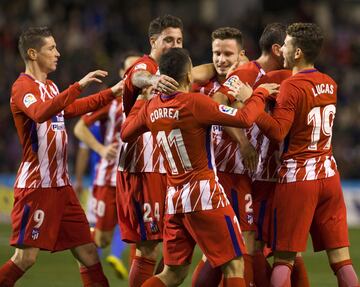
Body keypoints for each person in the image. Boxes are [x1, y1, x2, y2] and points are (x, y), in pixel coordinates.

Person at [121, 47, 279, 287]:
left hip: (174, 200)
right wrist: (259, 94)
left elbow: (125, 133)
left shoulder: (150, 108)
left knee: (172, 274)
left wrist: (142, 100)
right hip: (204, 194)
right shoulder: (196, 103)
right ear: (188, 77)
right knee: (234, 263)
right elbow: (244, 119)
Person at [0, 26, 123, 287]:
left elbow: (72, 108)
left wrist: (111, 93)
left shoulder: (51, 86)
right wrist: (77, 85)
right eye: (51, 48)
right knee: (25, 258)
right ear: (33, 54)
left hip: (62, 187)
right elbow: (40, 112)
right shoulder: (22, 87)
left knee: (89, 253)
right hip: (37, 187)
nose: (58, 53)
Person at [255, 22, 359, 287]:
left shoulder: (292, 86)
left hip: (299, 178)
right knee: (342, 261)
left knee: (284, 259)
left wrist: (254, 102)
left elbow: (278, 132)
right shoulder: (330, 83)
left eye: (287, 44)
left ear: (298, 52)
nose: (283, 49)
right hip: (329, 175)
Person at [116, 14, 183, 287]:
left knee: (163, 248)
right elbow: (138, 75)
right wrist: (152, 81)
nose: (175, 45)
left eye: (179, 40)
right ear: (153, 41)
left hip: (161, 168)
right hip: (142, 168)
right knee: (149, 248)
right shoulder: (147, 66)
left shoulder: (173, 71)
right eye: (168, 40)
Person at [191, 27, 259, 287]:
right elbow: (225, 111)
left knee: (238, 245)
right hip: (219, 175)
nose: (221, 59)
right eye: (216, 53)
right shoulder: (205, 84)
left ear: (241, 55)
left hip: (243, 174)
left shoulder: (248, 80)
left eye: (227, 54)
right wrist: (243, 142)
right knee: (233, 246)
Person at [73, 52, 140, 279]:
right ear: (123, 74)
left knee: (142, 235)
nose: (136, 75)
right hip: (110, 178)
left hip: (138, 178)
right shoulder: (111, 101)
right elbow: (79, 128)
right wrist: (101, 150)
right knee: (101, 239)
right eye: (131, 70)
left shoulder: (152, 99)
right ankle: (87, 267)